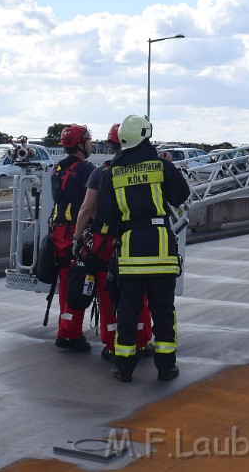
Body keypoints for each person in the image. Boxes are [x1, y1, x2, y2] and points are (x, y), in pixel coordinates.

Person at [96, 115, 191, 382]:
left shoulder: (111, 172)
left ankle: (124, 368)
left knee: (127, 310)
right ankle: (166, 367)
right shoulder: (161, 167)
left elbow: (105, 216)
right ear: (146, 136)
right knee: (163, 310)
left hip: (129, 252)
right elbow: (181, 196)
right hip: (161, 249)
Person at [72, 124, 154, 361]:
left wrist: (77, 239)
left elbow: (87, 209)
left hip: (103, 242)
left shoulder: (101, 172)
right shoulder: (146, 171)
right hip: (134, 239)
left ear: (111, 145)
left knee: (107, 293)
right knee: (139, 293)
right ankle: (139, 342)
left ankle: (111, 344)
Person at [49, 124, 97, 351]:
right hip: (75, 232)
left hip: (58, 232)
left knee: (67, 284)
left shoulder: (57, 168)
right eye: (88, 140)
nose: (90, 143)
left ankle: (66, 329)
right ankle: (69, 334)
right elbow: (90, 205)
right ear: (80, 144)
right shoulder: (86, 170)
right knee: (79, 282)